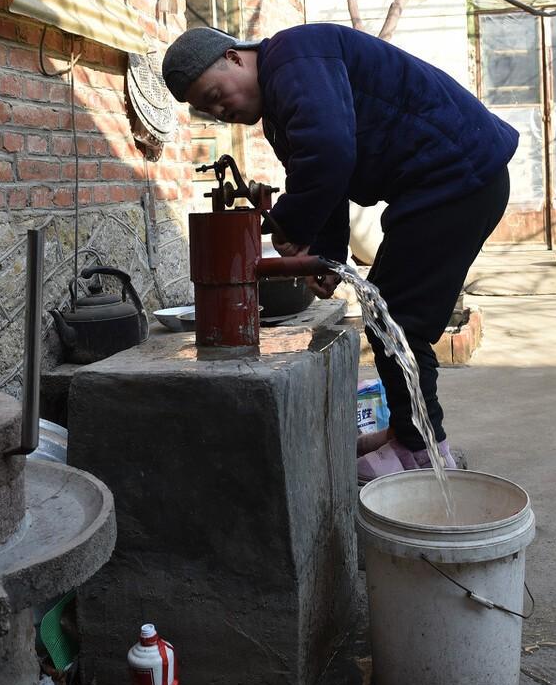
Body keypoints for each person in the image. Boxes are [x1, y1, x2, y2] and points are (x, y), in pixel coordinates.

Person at [162, 24, 517, 483]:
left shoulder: (293, 58)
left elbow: (329, 154)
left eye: (214, 94)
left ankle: (422, 452)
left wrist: (290, 223)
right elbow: (326, 175)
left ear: (234, 58)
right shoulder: (282, 101)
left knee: (398, 319)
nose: (219, 110)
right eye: (207, 110)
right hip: (447, 182)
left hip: (459, 177)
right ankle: (406, 434)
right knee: (387, 313)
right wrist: (326, 256)